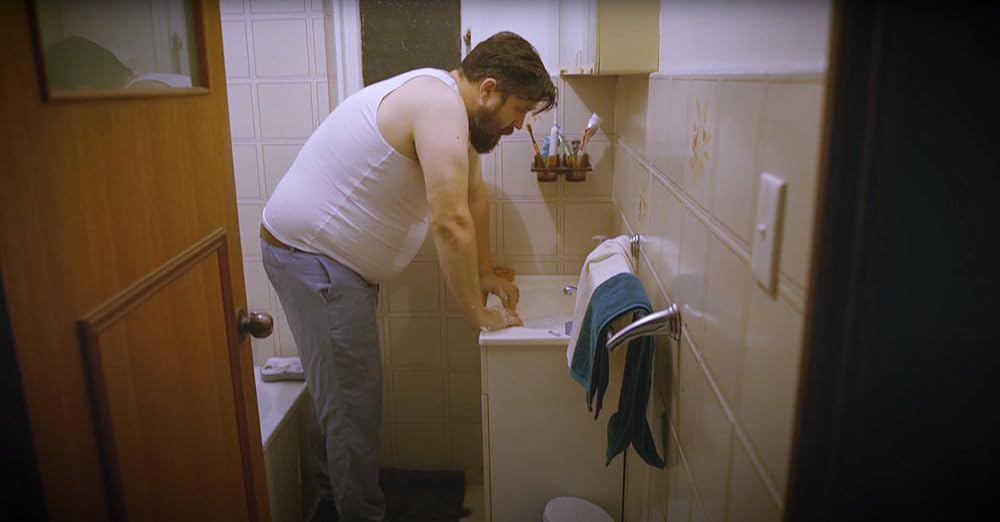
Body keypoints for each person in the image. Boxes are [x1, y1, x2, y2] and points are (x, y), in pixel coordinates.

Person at [259, 31, 557, 521]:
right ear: (488, 89)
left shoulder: (451, 108)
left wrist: (483, 271)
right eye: (519, 110)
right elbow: (450, 222)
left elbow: (473, 196)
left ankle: (333, 497)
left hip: (322, 259)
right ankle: (357, 512)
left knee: (340, 392)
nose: (519, 124)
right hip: (313, 260)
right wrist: (477, 314)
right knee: (353, 402)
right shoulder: (439, 105)